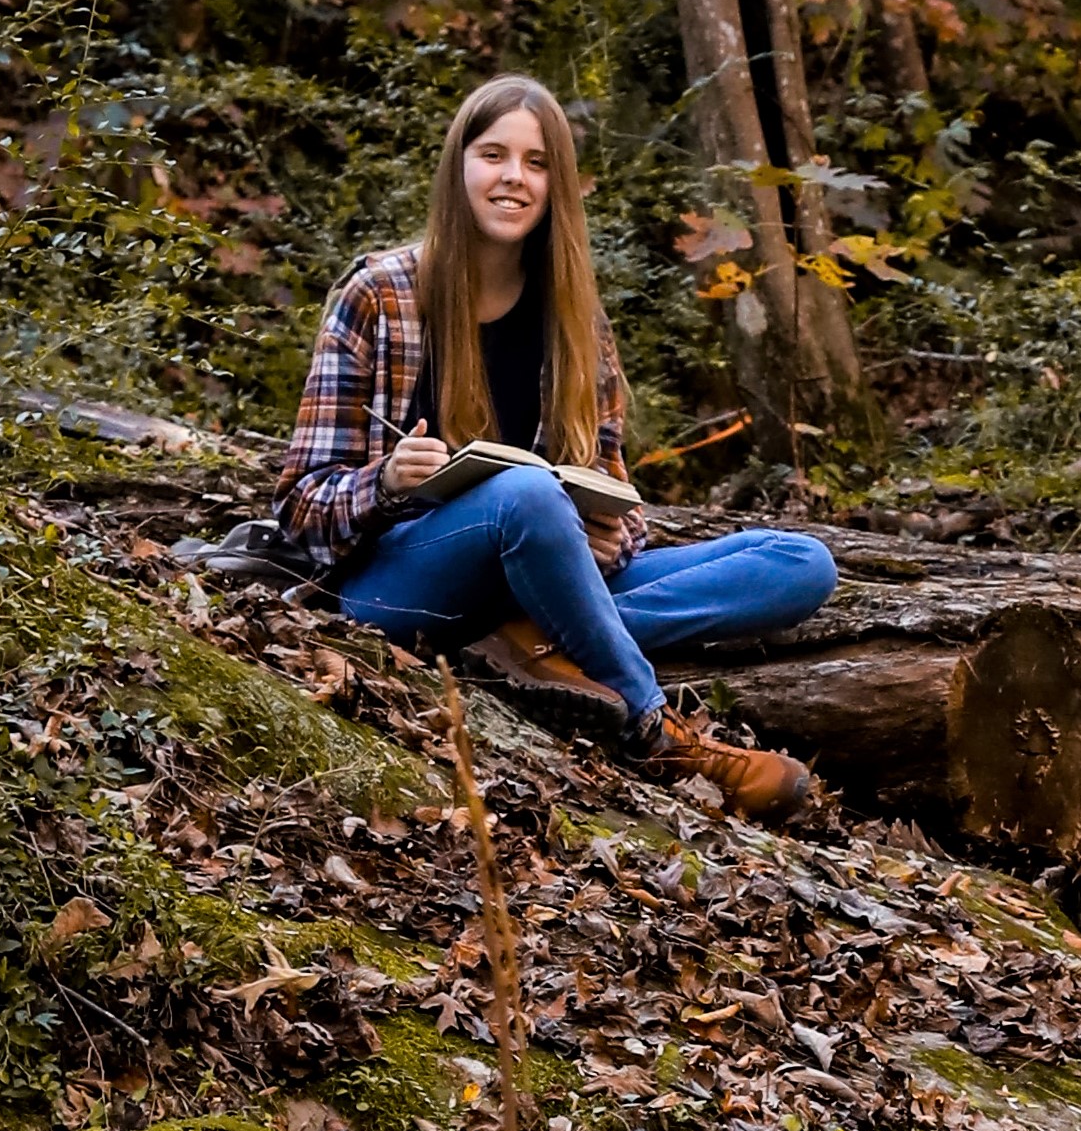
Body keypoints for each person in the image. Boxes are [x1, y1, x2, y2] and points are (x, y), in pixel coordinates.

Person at [274, 76, 837, 820]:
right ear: (459, 167)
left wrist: (609, 534)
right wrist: (382, 483)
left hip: (529, 580)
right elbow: (296, 504)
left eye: (536, 162)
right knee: (526, 494)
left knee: (800, 564)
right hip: (394, 589)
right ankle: (651, 723)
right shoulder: (377, 295)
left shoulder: (573, 319)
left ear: (556, 184)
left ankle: (528, 645)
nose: (513, 176)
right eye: (493, 154)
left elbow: (614, 487)